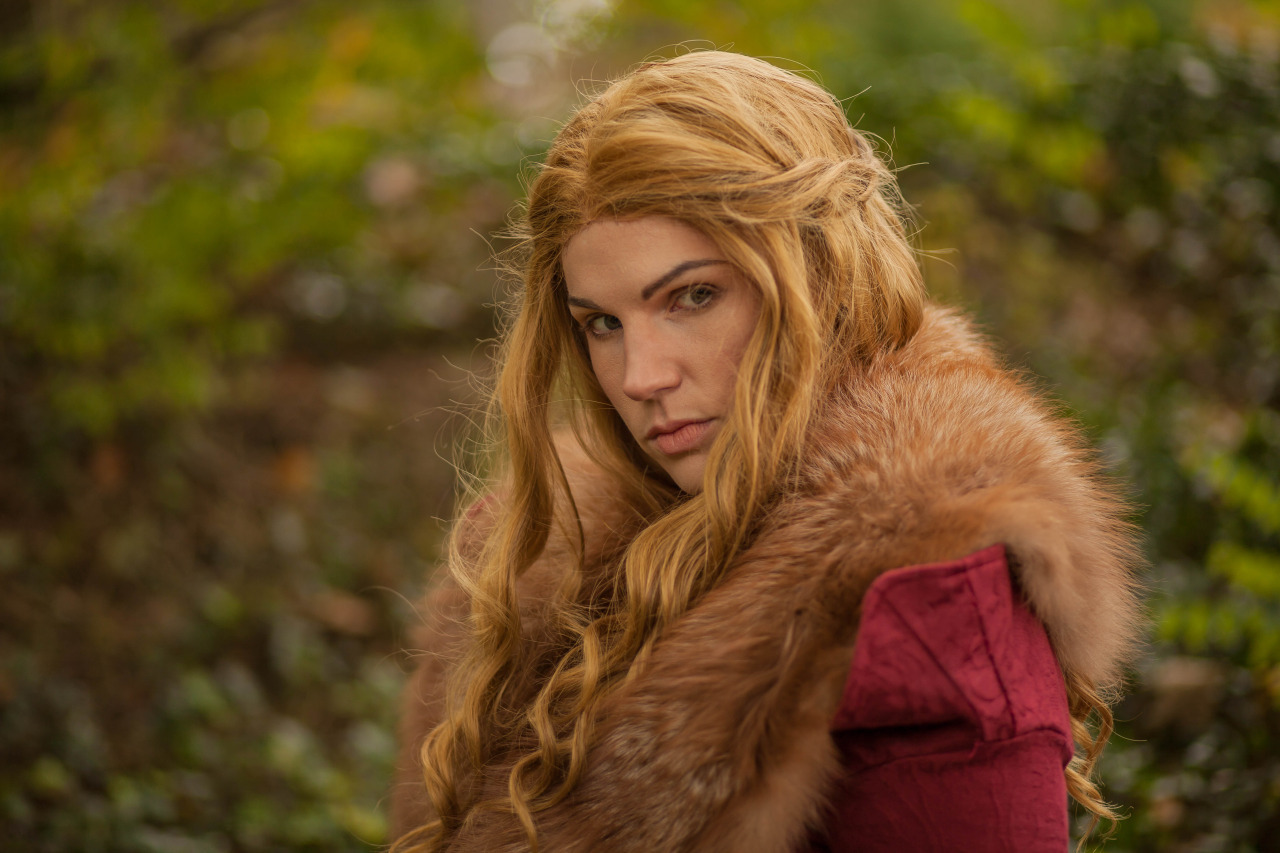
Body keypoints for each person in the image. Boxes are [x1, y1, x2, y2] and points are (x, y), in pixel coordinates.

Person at [389, 51, 1143, 853]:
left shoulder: (930, 600)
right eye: (602, 323)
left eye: (693, 296)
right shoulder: (531, 568)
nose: (641, 377)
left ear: (824, 278)